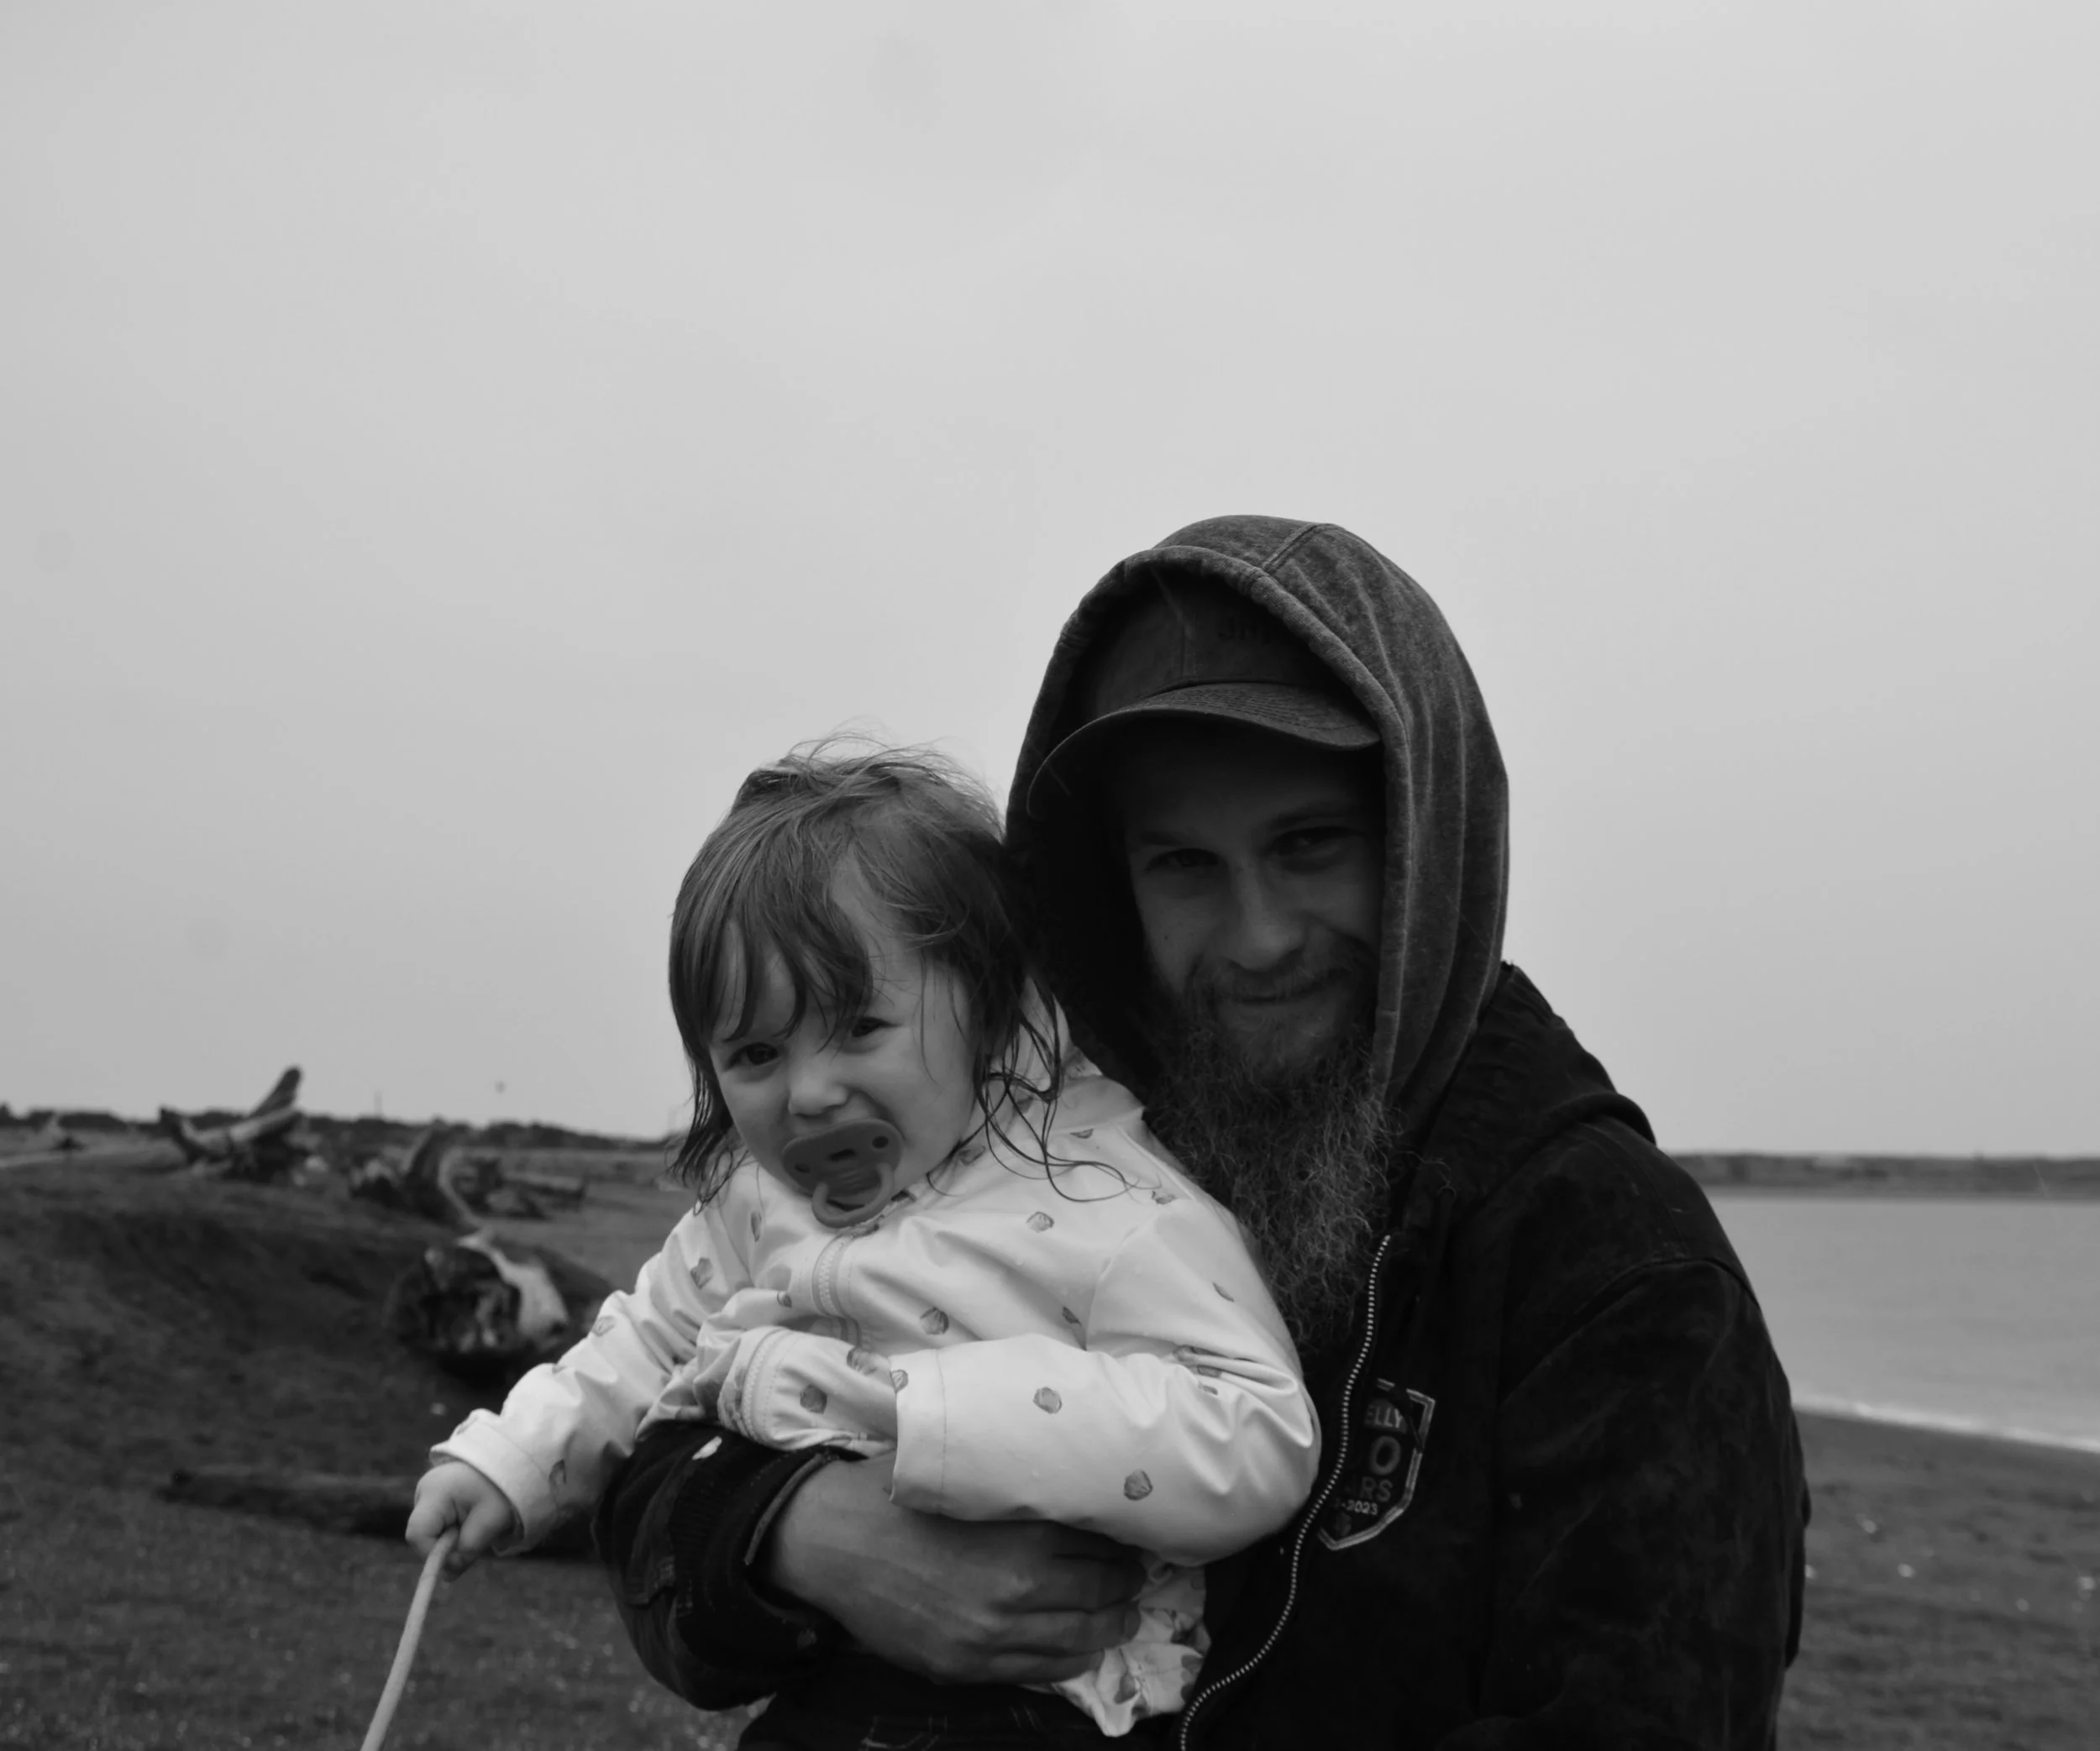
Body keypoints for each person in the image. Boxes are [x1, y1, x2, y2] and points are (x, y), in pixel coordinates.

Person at [596, 516, 1810, 1748]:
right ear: (1106, 886)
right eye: (1184, 864)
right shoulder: (1014, 1137)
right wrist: (798, 1535)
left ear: (1430, 836)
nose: (1259, 933)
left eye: (1311, 846)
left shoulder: (1623, 1275)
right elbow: (654, 1477)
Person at [406, 745, 1320, 1743]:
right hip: (831, 1697)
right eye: (753, 1054)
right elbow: (643, 1345)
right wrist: (510, 1460)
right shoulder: (753, 1207)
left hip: (1053, 1709)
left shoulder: (1106, 1194)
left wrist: (936, 1417)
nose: (806, 1093)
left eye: (857, 1027)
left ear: (991, 1002)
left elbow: (1261, 1433)